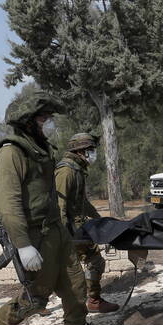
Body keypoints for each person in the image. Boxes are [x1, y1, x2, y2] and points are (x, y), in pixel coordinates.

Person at [0, 90, 112, 325]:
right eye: (43, 118)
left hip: (57, 232)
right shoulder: (12, 152)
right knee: (35, 299)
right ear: (27, 121)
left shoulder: (40, 149)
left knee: (75, 287)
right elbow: (6, 202)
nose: (48, 123)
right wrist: (23, 244)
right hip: (35, 237)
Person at [55, 133, 119, 313]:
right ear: (81, 151)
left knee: (92, 262)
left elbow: (81, 202)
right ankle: (93, 301)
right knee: (94, 261)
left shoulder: (77, 169)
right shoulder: (66, 171)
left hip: (78, 226)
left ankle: (92, 299)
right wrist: (64, 236)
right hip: (70, 230)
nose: (94, 154)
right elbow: (60, 205)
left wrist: (99, 219)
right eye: (91, 150)